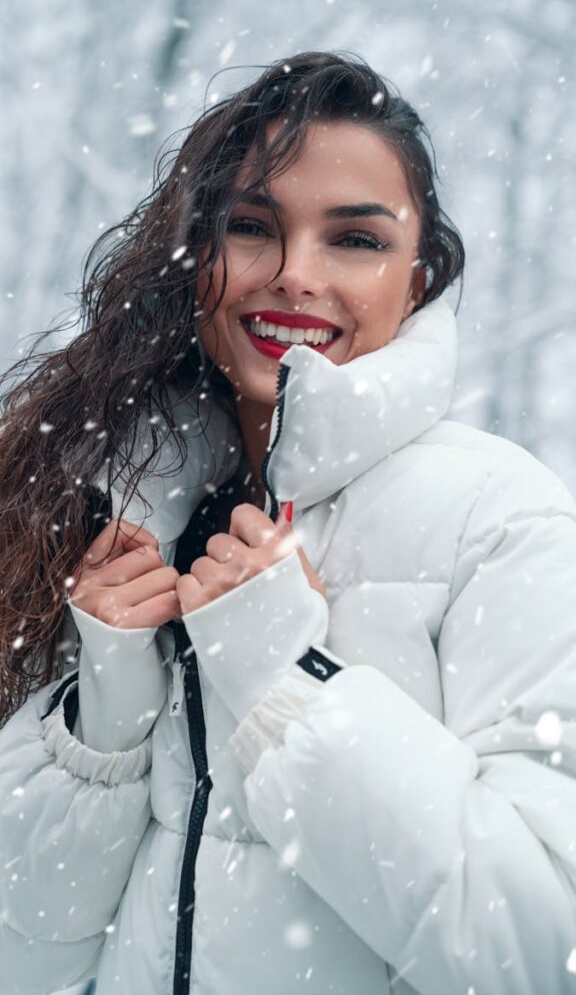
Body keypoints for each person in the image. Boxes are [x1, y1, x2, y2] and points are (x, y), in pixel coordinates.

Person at [0, 49, 575, 995]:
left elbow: (537, 951)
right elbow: (29, 961)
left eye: (355, 240)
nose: (295, 276)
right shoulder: (119, 504)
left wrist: (285, 676)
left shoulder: (505, 521)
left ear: (420, 274)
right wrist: (106, 720)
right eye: (252, 228)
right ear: (198, 259)